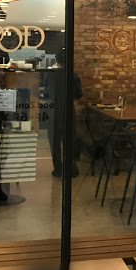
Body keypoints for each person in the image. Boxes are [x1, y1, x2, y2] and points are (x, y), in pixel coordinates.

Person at [50, 48, 82, 177]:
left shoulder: (52, 75)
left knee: (55, 142)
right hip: (68, 111)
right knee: (69, 141)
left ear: (58, 61)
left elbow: (43, 91)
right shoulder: (73, 76)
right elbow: (78, 95)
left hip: (54, 111)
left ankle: (58, 169)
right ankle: (71, 169)